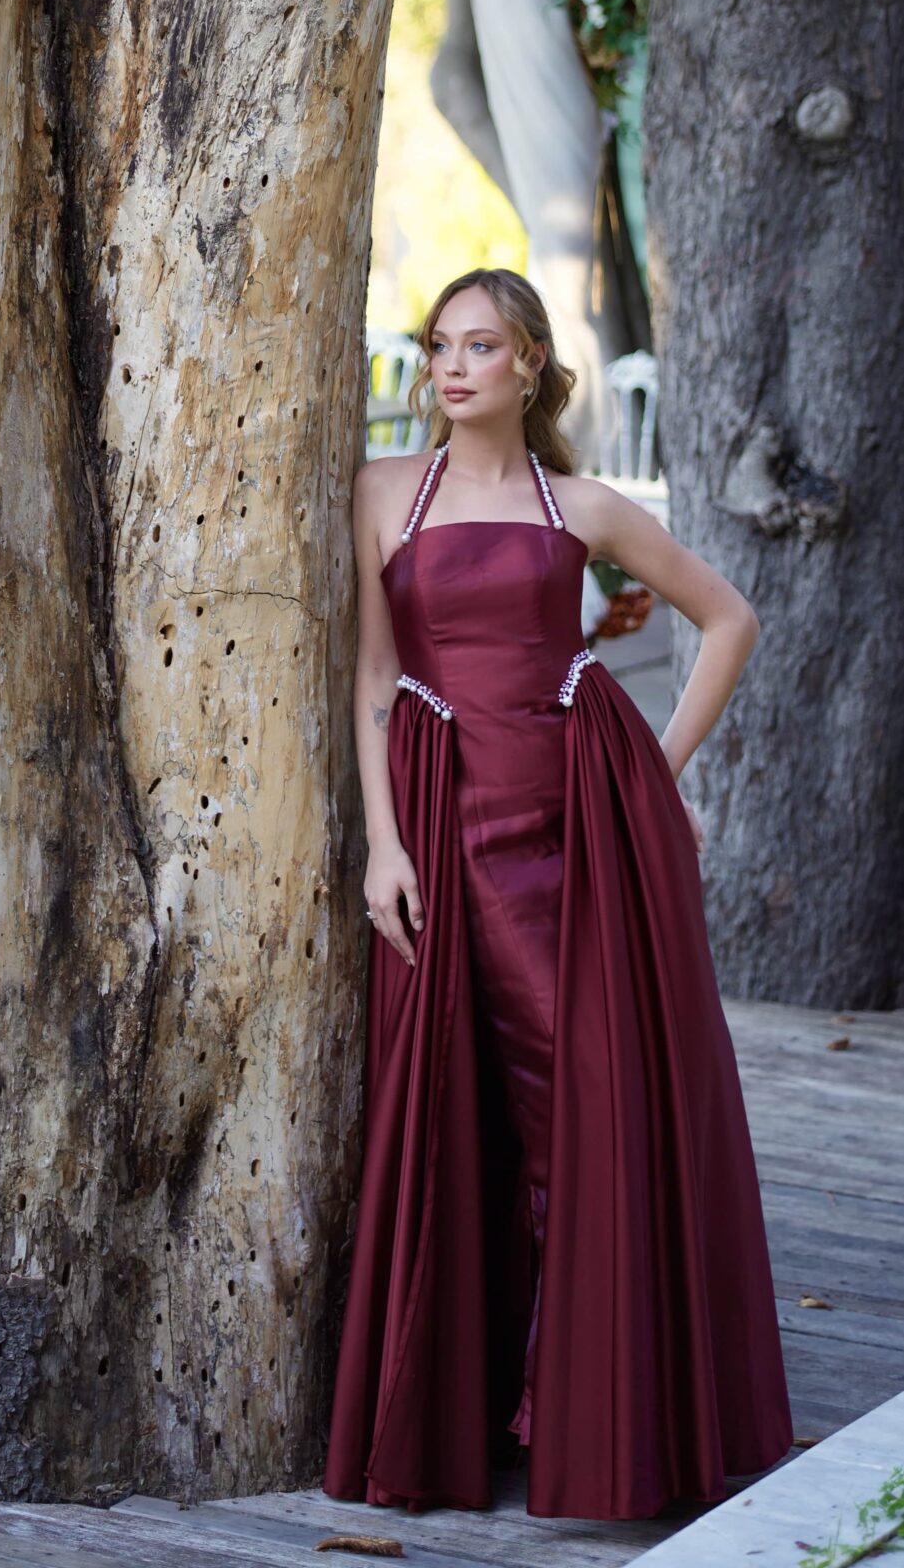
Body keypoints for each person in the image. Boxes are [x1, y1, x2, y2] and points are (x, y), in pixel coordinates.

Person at [322, 267, 793, 1522]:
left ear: (530, 362)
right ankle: (502, 1405)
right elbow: (374, 679)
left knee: (588, 1101)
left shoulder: (578, 504)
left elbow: (729, 619)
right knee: (467, 1109)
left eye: (480, 345)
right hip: (445, 828)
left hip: (576, 834)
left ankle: (602, 1414)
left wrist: (651, 774)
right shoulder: (382, 490)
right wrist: (382, 846)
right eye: (439, 344)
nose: (451, 366)